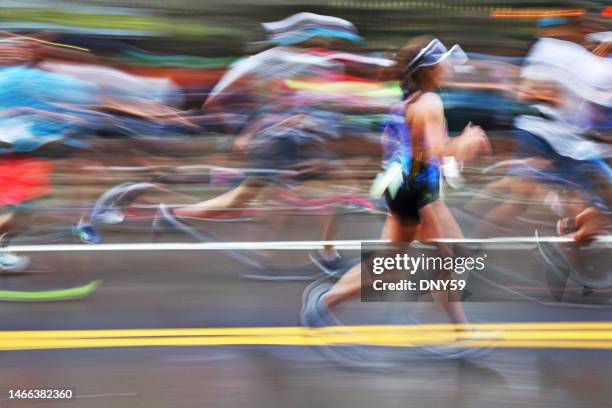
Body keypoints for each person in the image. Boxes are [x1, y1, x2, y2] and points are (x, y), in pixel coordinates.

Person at [302, 36, 491, 329]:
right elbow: (435, 153)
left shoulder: (409, 101)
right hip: (417, 190)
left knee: (407, 262)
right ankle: (459, 331)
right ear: (429, 70)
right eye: (444, 62)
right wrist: (467, 141)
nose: (449, 66)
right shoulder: (429, 102)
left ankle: (325, 303)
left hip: (408, 187)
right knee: (446, 257)